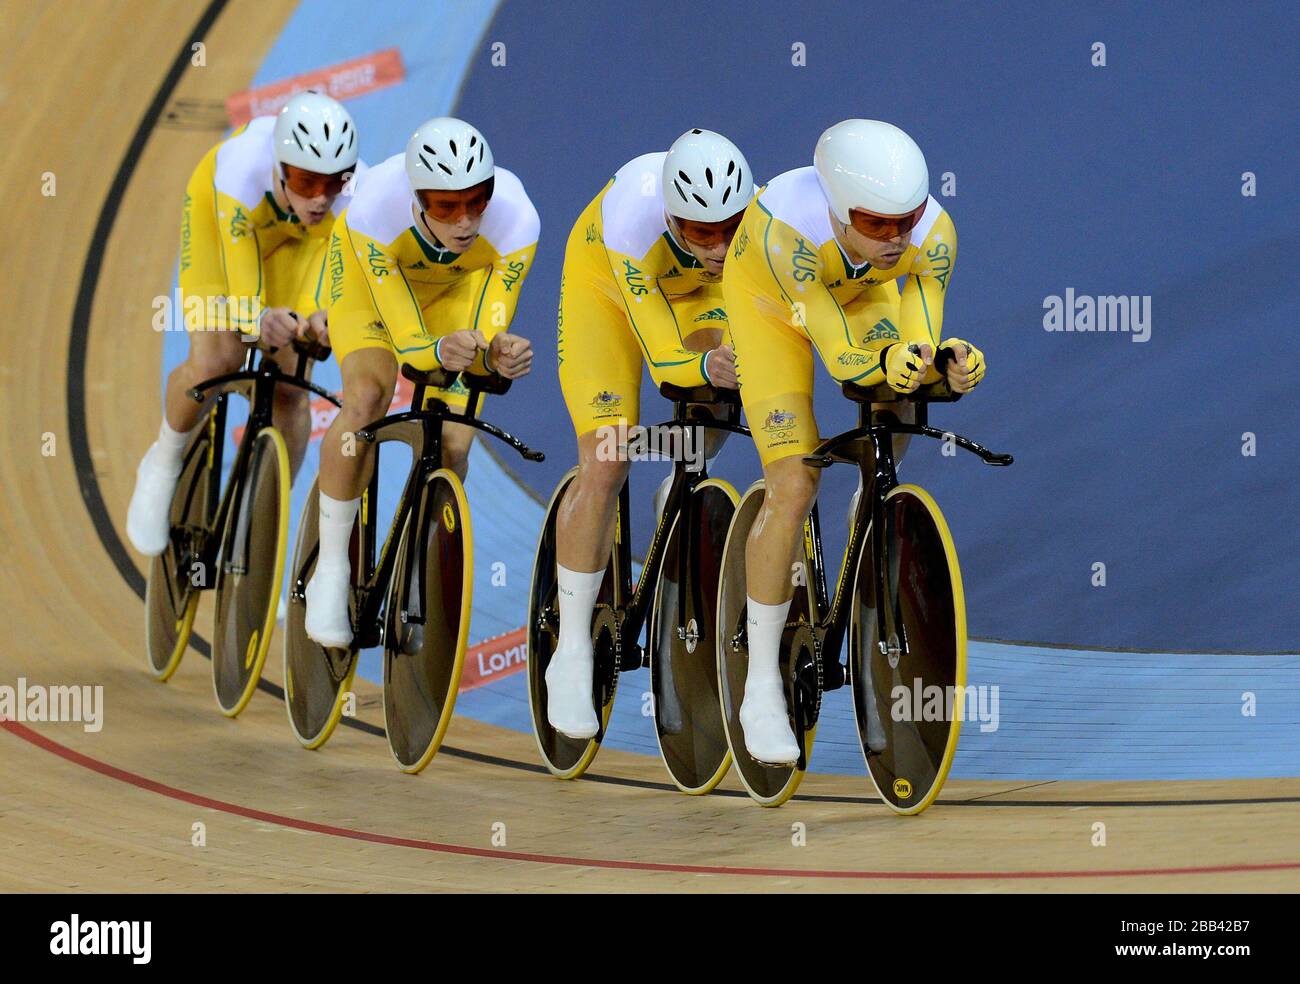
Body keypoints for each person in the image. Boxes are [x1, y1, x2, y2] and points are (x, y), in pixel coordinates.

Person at [721, 119, 987, 764]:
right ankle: (759, 686)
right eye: (876, 223)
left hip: (858, 292)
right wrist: (891, 362)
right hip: (771, 304)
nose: (896, 238)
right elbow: (842, 355)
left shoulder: (932, 233)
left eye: (907, 220)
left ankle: (871, 510)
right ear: (838, 211)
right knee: (794, 483)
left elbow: (917, 339)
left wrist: (943, 366)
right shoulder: (791, 233)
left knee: (895, 405)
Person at [545, 128, 753, 739]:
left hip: (696, 296)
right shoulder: (633, 224)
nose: (717, 247)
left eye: (730, 230)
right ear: (670, 218)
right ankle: (573, 650)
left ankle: (680, 489)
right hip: (608, 289)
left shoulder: (759, 224)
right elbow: (665, 362)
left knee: (723, 385)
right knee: (608, 456)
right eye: (699, 233)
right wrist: (710, 366)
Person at [304, 116, 538, 649]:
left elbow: (486, 332)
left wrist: (495, 354)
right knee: (367, 395)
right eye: (445, 206)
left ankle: (422, 571)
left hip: (454, 293)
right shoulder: (372, 212)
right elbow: (409, 344)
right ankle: (333, 568)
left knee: (454, 443)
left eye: (477, 200)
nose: (464, 222)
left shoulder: (518, 221)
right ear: (416, 198)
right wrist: (441, 350)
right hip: (373, 292)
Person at [126, 91, 364, 556]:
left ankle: (262, 528)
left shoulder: (356, 198)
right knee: (219, 359)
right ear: (279, 166)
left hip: (303, 245)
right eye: (305, 180)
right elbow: (240, 284)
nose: (320, 197)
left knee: (292, 384)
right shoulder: (239, 171)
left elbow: (344, 278)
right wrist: (255, 319)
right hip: (227, 233)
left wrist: (325, 315)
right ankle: (163, 462)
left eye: (334, 182)